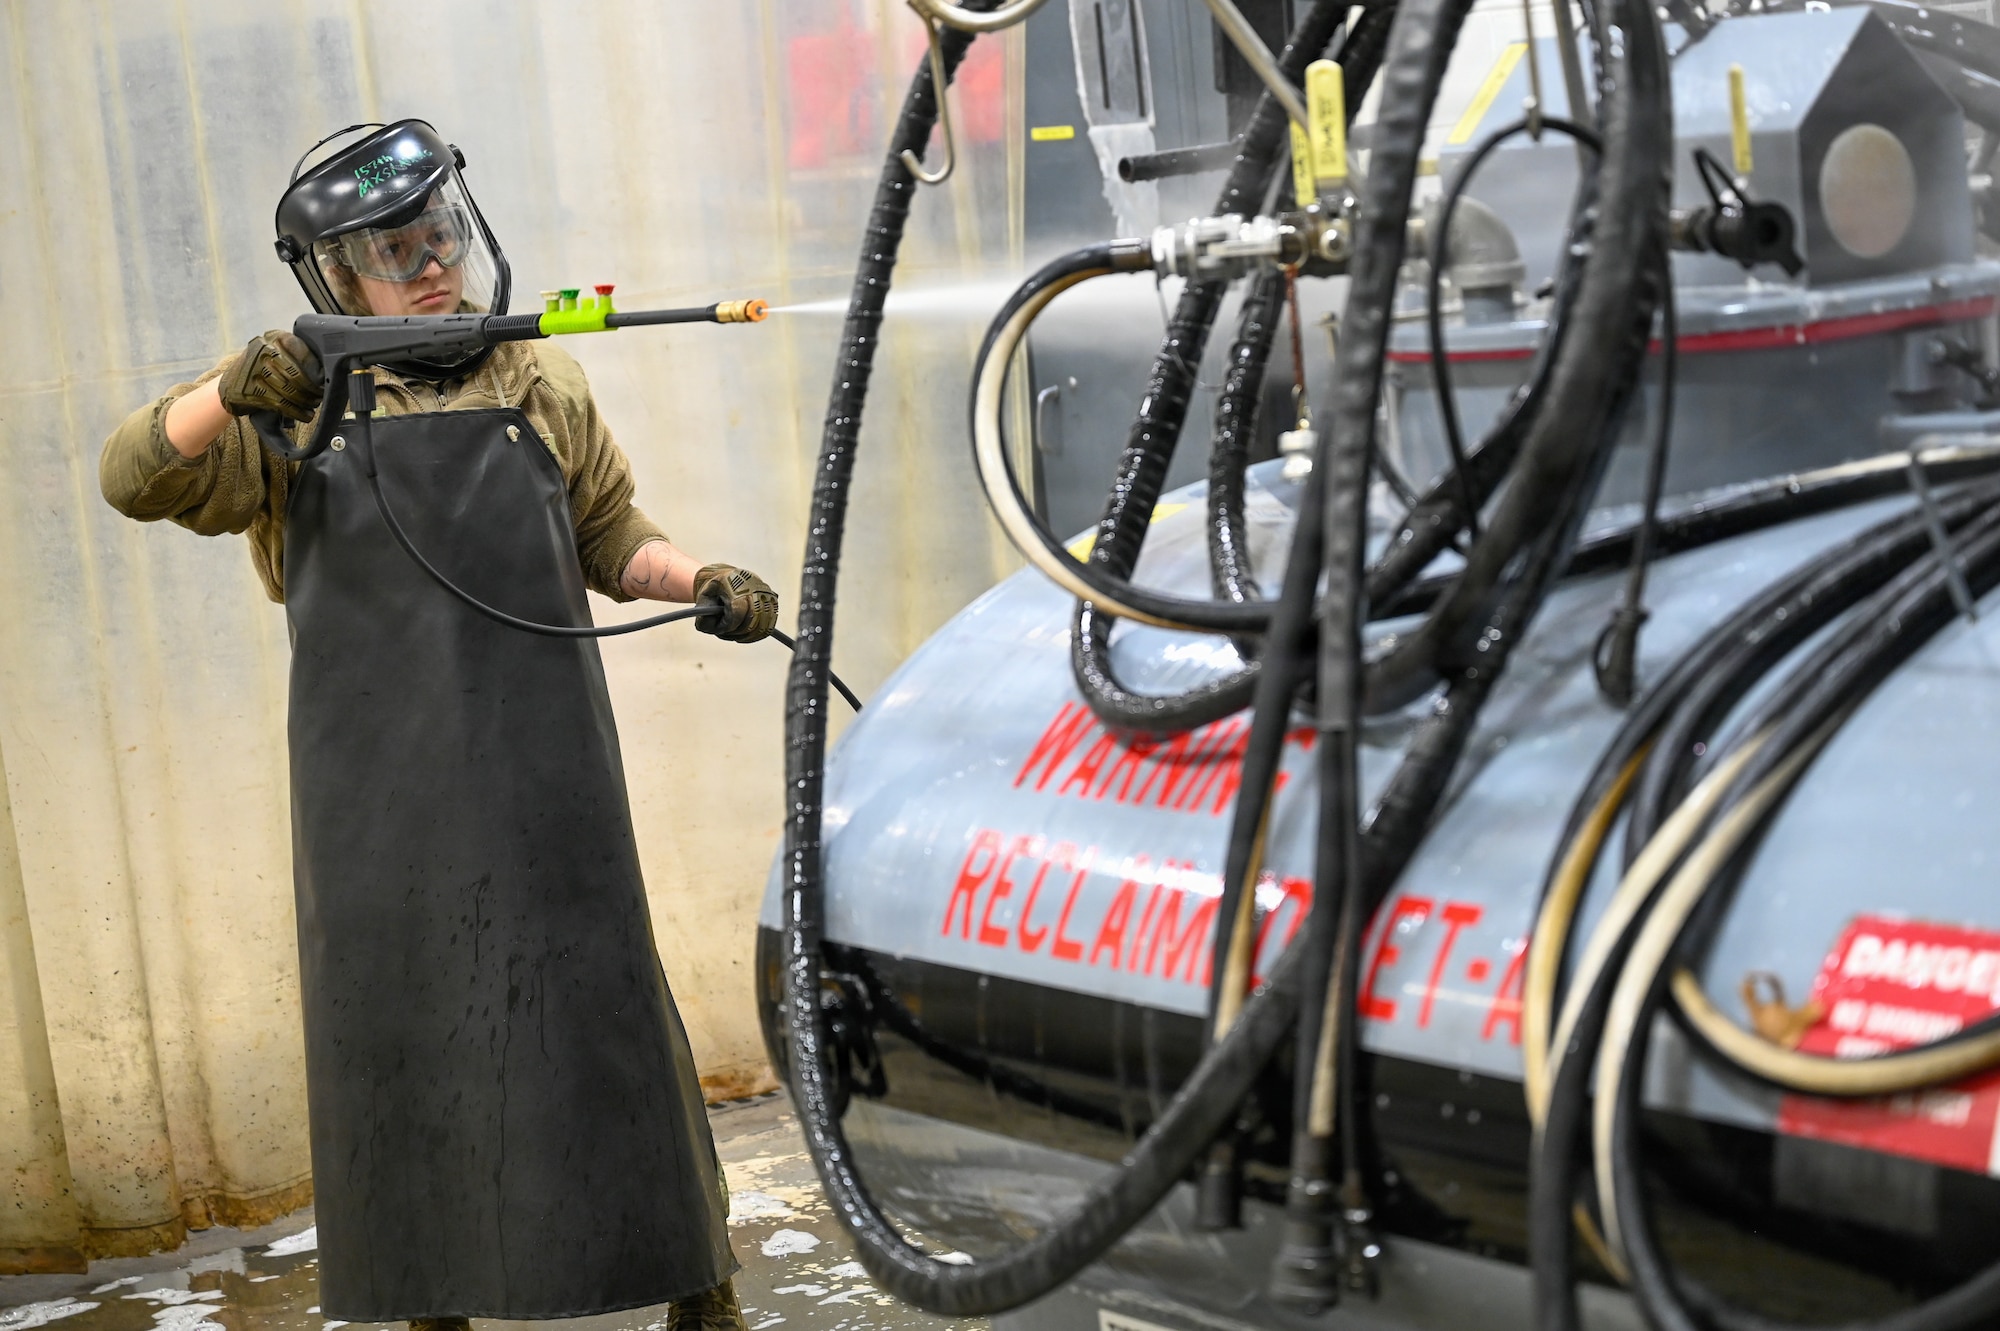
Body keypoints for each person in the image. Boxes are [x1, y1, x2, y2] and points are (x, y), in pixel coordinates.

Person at [100, 120, 771, 1331]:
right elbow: (128, 475)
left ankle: (696, 1283)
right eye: (392, 249)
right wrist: (227, 388)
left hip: (545, 771)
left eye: (438, 234)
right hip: (376, 800)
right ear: (335, 277)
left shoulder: (537, 378)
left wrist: (704, 581)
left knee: (607, 1024)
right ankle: (429, 1306)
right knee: (401, 1044)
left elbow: (609, 535)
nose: (428, 264)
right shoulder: (290, 409)